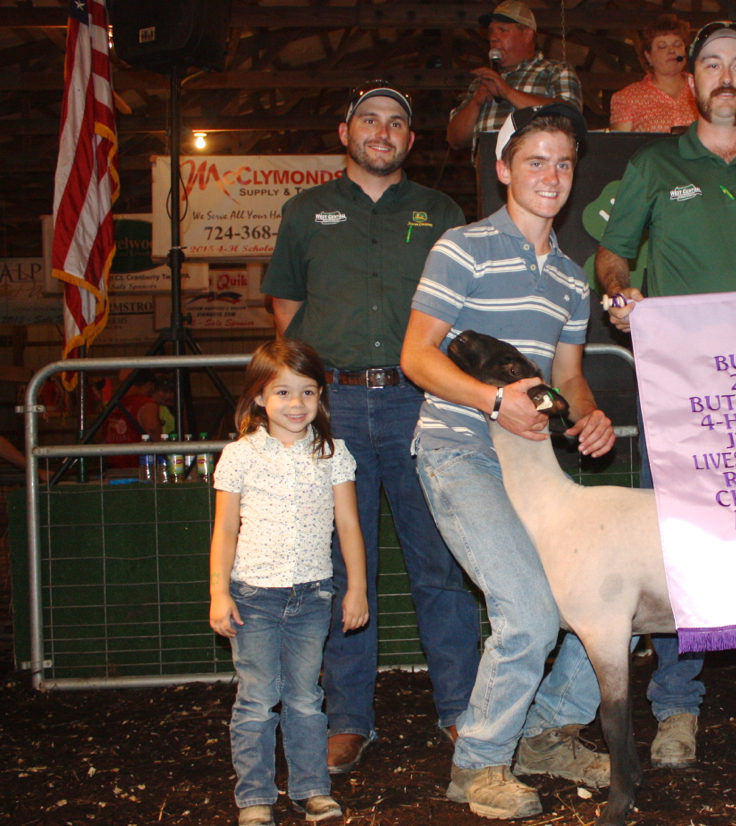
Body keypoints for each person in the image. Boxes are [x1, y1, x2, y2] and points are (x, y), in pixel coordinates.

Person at [595, 21, 736, 771]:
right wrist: (620, 291)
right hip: (681, 388)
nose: (726, 77)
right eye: (712, 65)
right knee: (684, 545)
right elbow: (611, 252)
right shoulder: (655, 163)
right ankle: (676, 706)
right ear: (691, 81)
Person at [401, 103, 614, 820]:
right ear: (503, 169)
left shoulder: (572, 279)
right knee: (527, 610)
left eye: (563, 163)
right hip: (459, 448)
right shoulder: (462, 248)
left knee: (605, 598)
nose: (551, 175)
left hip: (534, 463)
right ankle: (478, 764)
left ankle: (546, 733)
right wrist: (494, 401)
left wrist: (588, 418)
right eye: (535, 161)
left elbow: (570, 377)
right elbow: (416, 356)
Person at [262, 81, 480, 773]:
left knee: (440, 561)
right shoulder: (305, 212)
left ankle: (462, 710)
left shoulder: (441, 212)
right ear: (345, 132)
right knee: (337, 568)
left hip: (422, 402)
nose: (381, 132)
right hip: (337, 407)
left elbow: (462, 308)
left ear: (410, 140)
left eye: (395, 123)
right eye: (368, 120)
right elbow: (287, 309)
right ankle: (349, 719)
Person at [209, 338, 370, 826]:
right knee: (257, 699)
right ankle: (255, 796)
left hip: (312, 595)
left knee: (305, 697)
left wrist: (356, 588)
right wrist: (218, 592)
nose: (296, 403)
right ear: (259, 397)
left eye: (307, 392)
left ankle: (311, 789)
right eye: (282, 392)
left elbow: (349, 525)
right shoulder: (240, 455)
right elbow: (225, 529)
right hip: (253, 596)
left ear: (320, 396)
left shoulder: (333, 453)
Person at [445, 1, 583, 153]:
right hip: (489, 167)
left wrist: (507, 92)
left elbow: (571, 118)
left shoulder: (555, 71)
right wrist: (476, 102)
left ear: (527, 35)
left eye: (502, 30)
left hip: (538, 163)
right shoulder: (481, 83)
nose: (493, 38)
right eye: (491, 32)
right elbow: (454, 140)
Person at [609, 13, 697, 133]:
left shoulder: (703, 88)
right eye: (662, 47)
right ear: (648, 56)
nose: (672, 50)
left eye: (677, 45)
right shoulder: (626, 98)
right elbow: (620, 144)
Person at [102, 369, 163, 468]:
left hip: (113, 466)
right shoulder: (146, 403)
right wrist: (163, 448)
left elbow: (103, 433)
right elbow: (152, 428)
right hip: (140, 466)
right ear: (148, 385)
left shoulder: (112, 406)